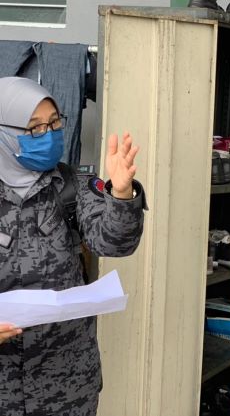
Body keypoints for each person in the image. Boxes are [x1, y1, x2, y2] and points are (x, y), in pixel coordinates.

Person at [0, 76, 146, 416]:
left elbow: (114, 243)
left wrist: (121, 193)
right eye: (34, 128)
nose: (48, 134)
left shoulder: (72, 185)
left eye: (54, 123)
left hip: (67, 384)